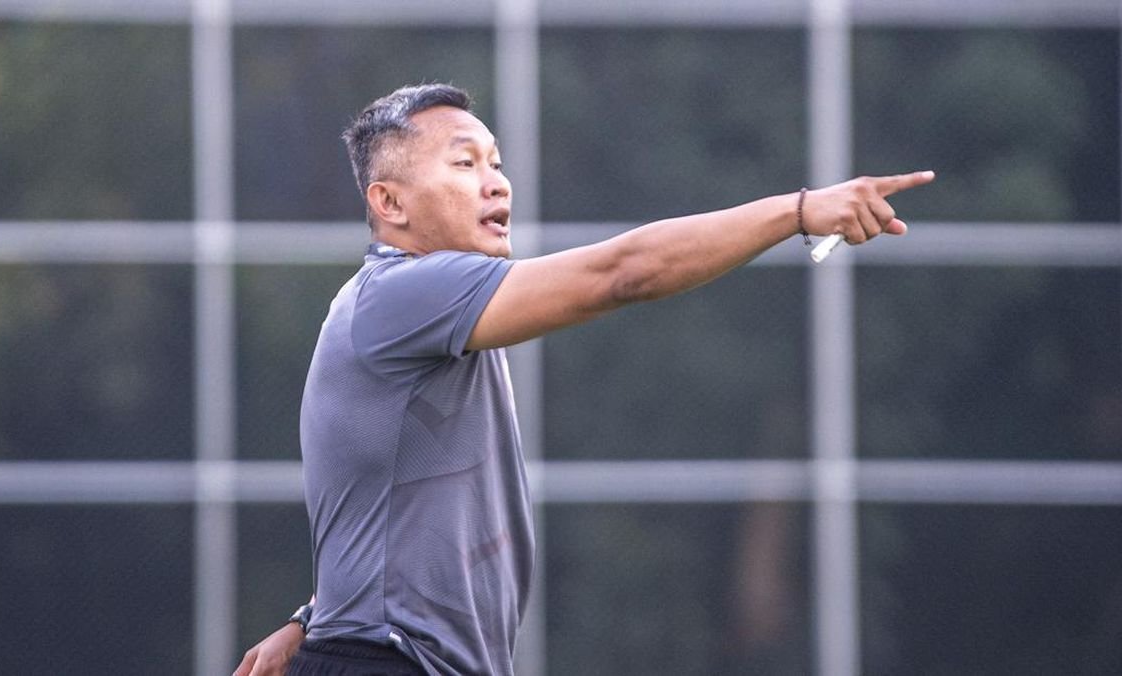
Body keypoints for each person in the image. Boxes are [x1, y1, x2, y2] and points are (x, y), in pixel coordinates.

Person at [234, 83, 934, 676]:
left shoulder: (421, 309)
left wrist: (319, 616)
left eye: (496, 162)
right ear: (390, 205)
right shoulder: (405, 294)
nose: (497, 181)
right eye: (465, 163)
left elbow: (383, 501)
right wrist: (798, 211)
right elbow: (623, 274)